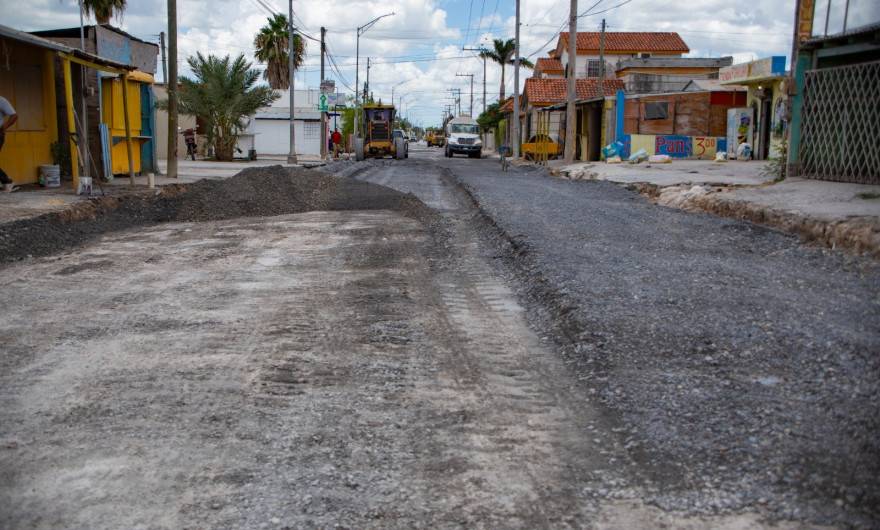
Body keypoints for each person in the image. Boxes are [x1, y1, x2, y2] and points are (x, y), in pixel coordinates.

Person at [0, 95, 18, 193]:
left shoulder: (2, 101)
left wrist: (4, 128)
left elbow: (14, 115)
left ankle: (7, 182)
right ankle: (6, 181)